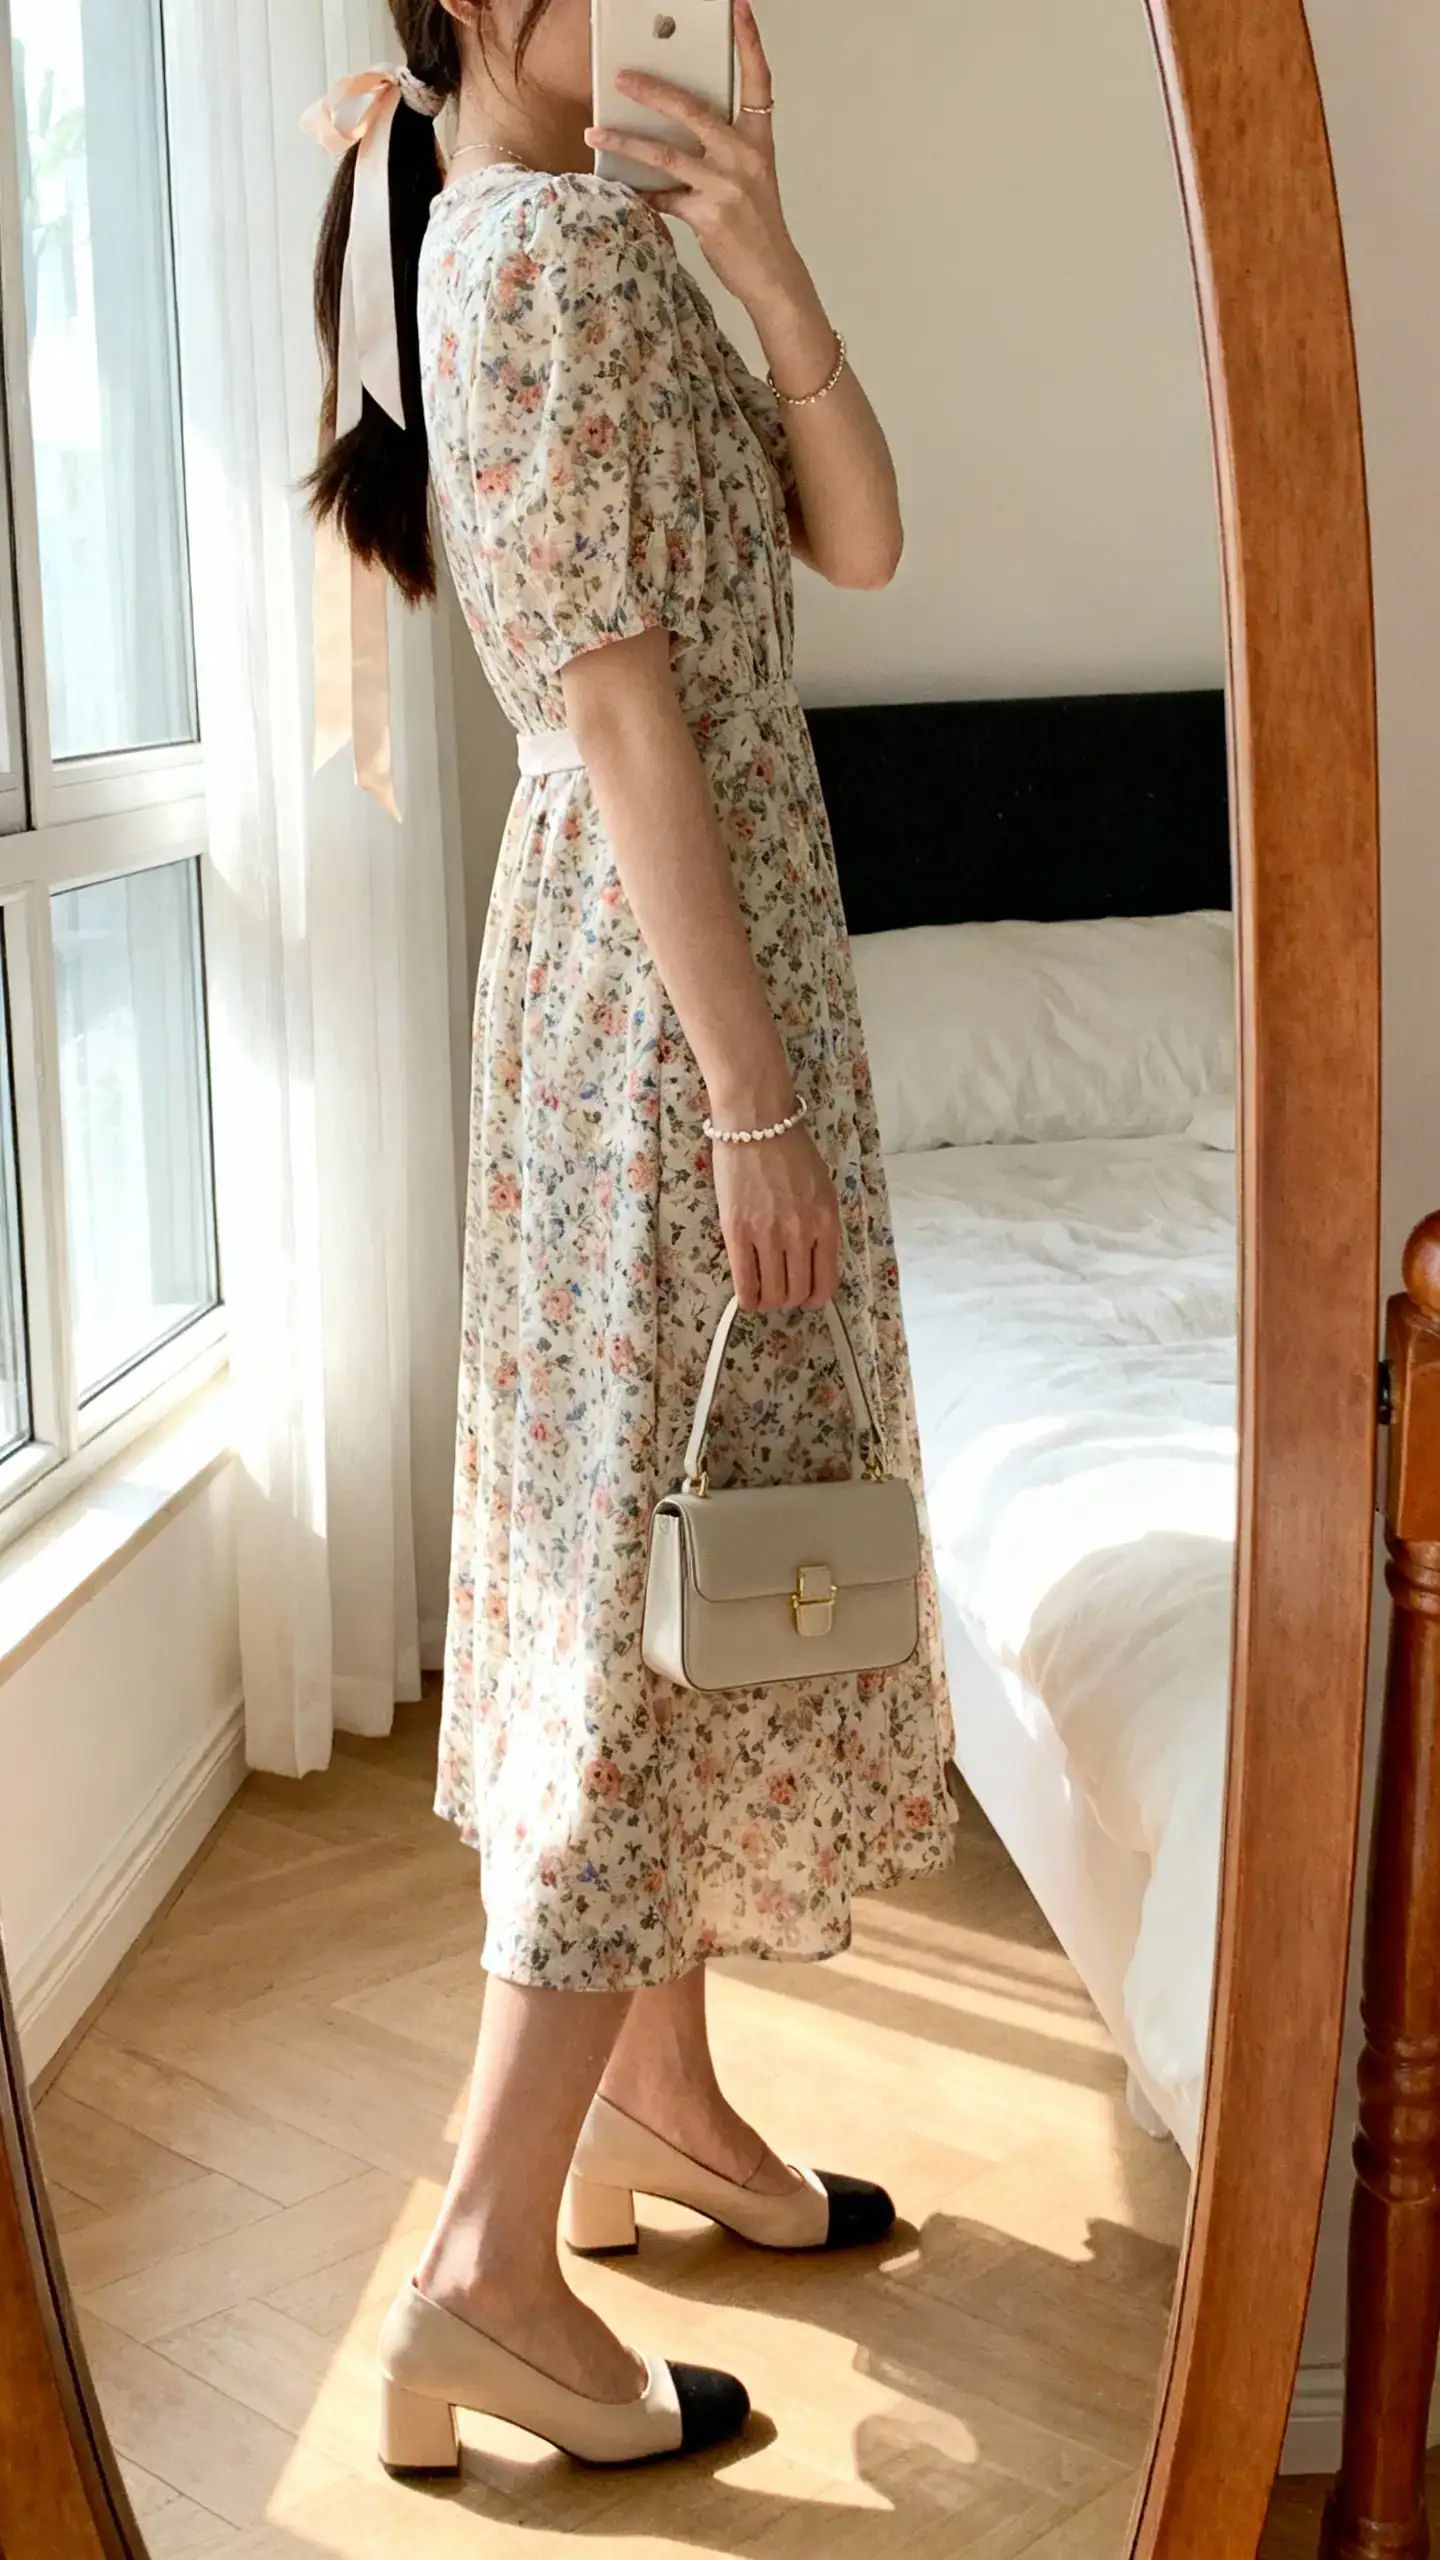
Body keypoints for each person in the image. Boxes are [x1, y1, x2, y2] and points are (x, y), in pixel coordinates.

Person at [307, 0, 955, 2477]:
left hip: (687, 972)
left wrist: (768, 249)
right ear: (479, 5)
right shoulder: (530, 270)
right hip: (667, 1009)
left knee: (670, 1562)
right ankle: (482, 2257)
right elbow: (618, 714)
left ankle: (653, 2097)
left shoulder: (621, 243)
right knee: (616, 1594)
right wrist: (752, 1097)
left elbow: (863, 541)